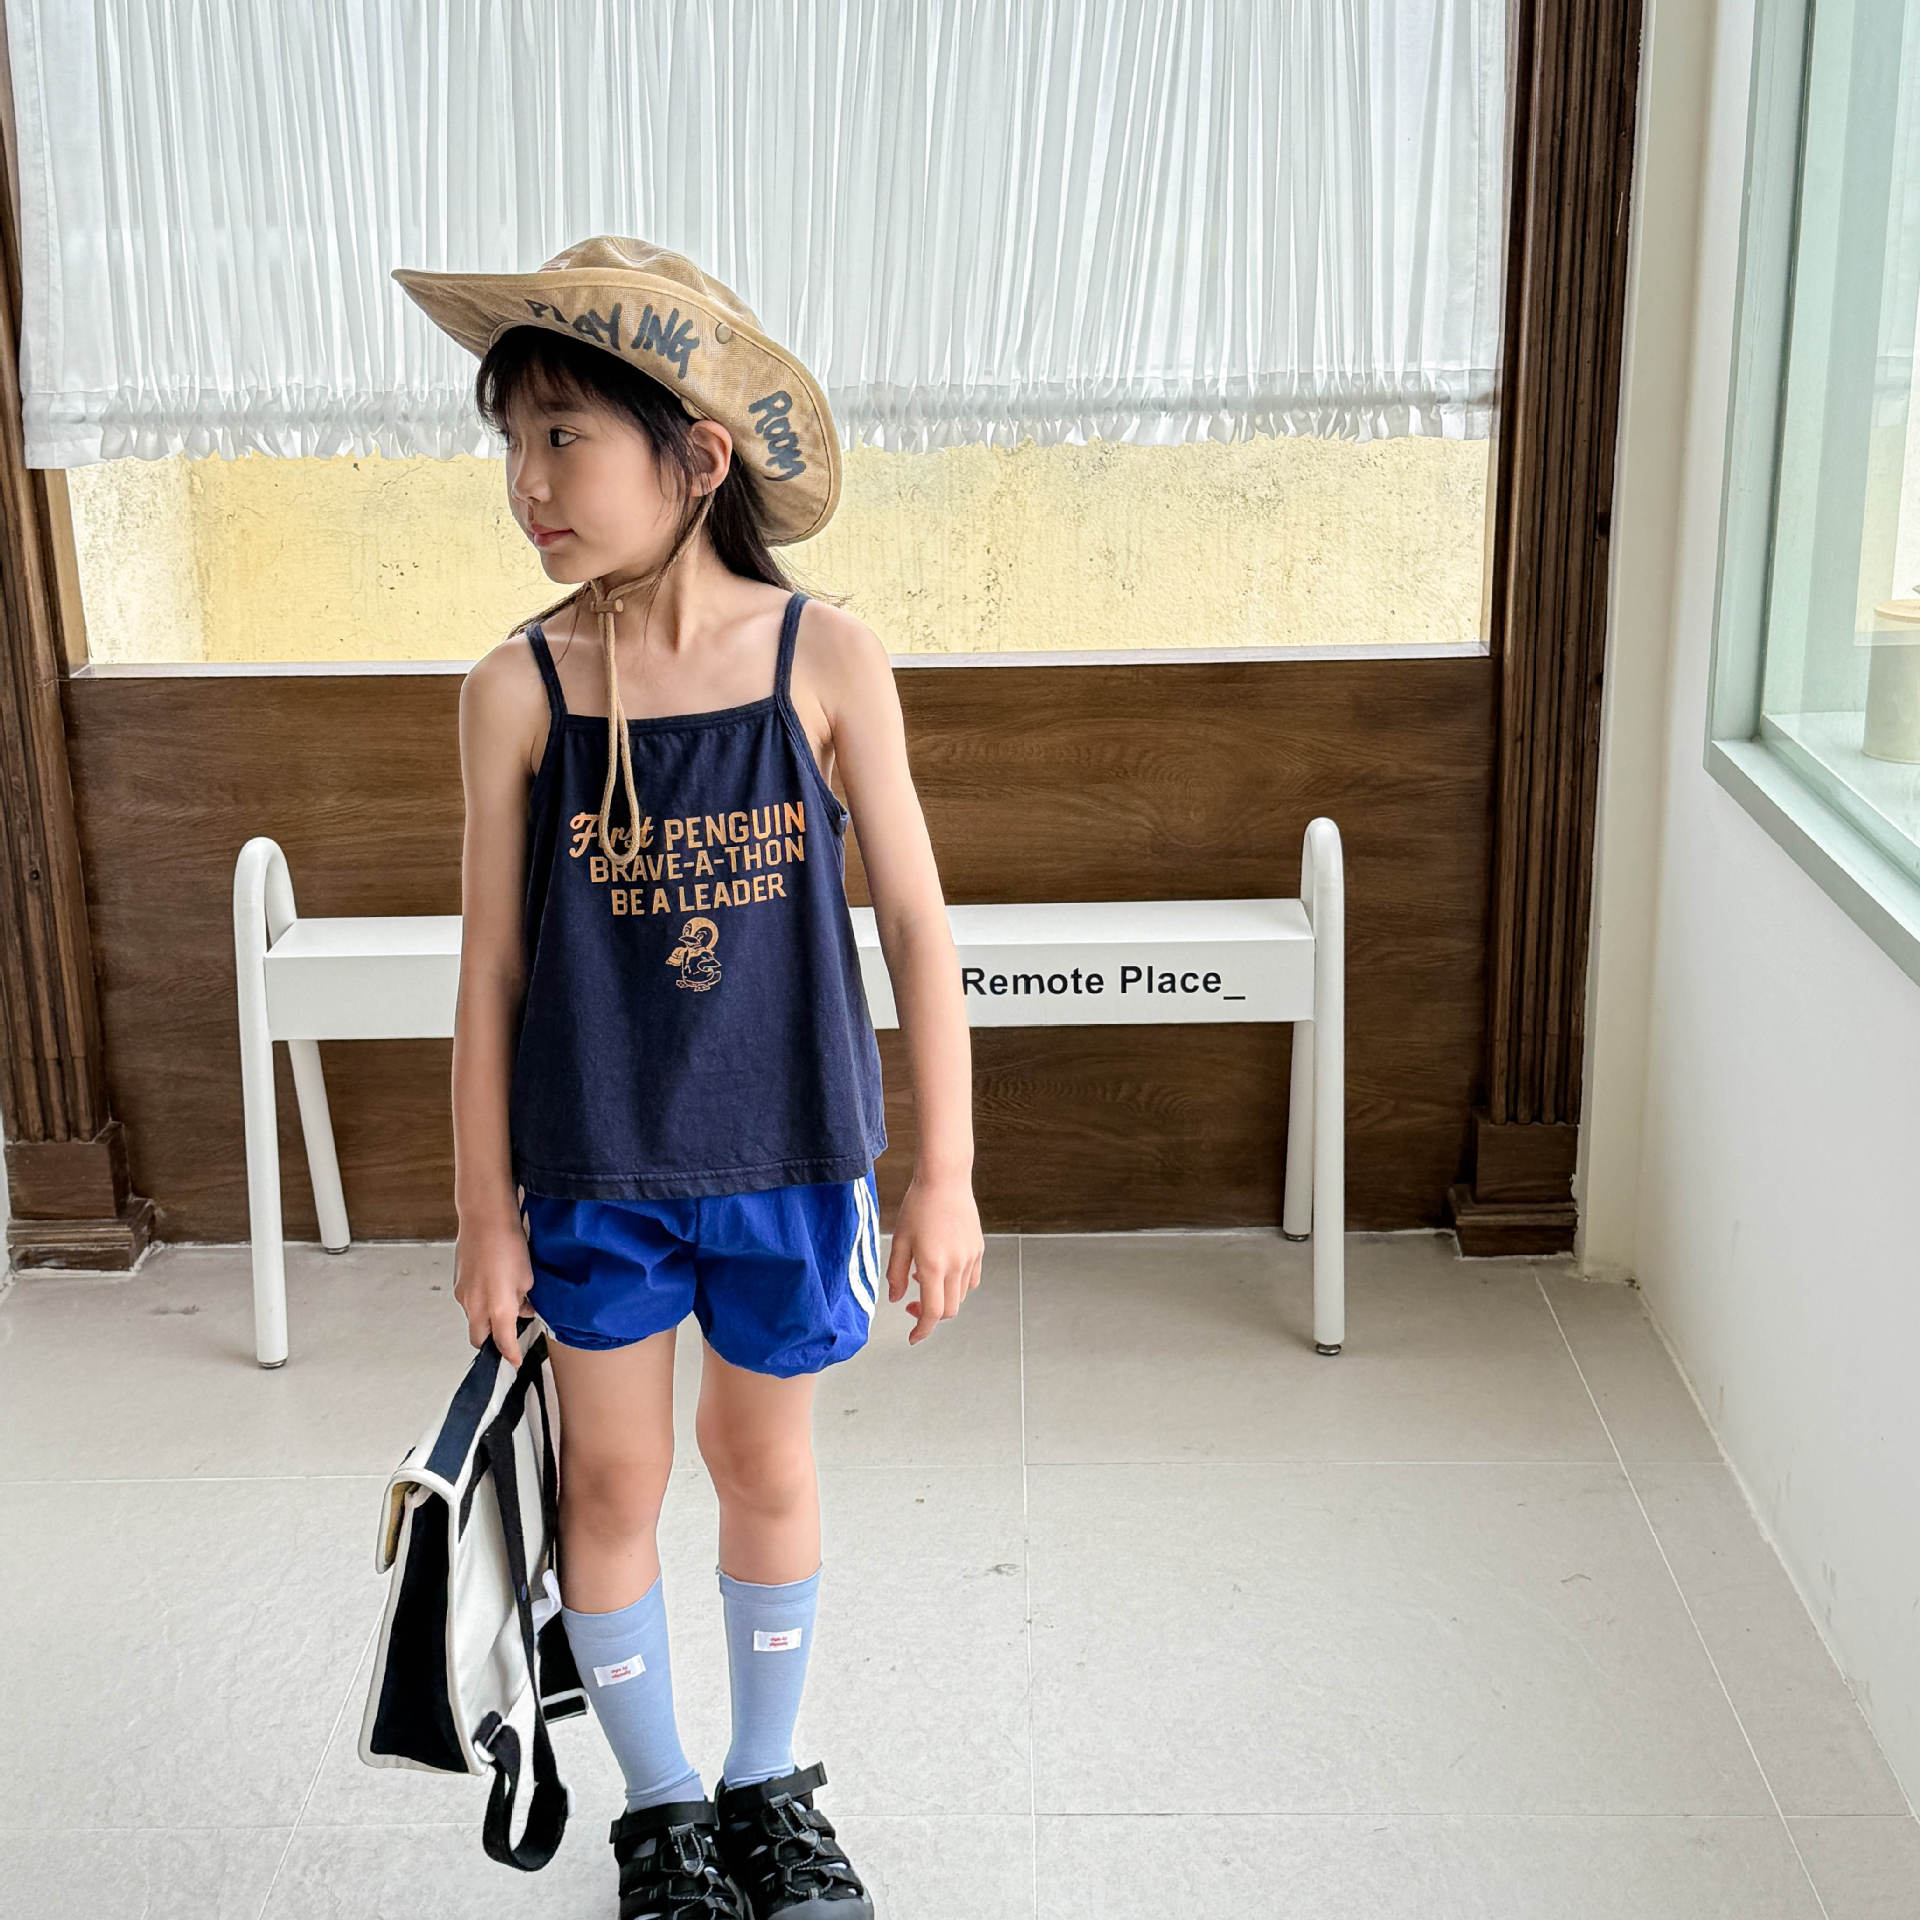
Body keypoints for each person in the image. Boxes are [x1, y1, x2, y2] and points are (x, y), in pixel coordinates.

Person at [395, 237, 984, 1919]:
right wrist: (485, 1216)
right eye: (511, 442)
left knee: (763, 1464)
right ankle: (661, 1812)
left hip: (791, 1157)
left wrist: (941, 1175)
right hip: (594, 1168)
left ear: (697, 457)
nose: (527, 485)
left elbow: (919, 927)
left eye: (563, 437)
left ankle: (766, 1786)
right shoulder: (515, 688)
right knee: (610, 1482)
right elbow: (490, 974)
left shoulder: (825, 660)